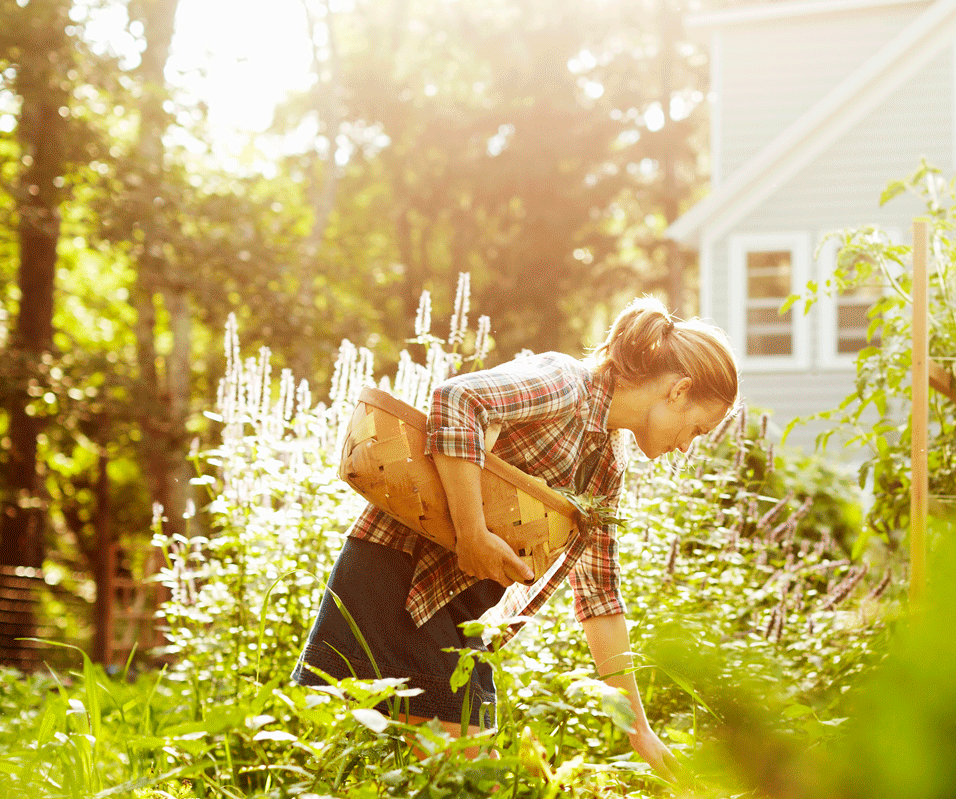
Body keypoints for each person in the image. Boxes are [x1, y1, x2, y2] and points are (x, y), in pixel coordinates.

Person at [296, 296, 739, 769]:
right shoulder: (566, 384)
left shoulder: (608, 463)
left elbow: (599, 595)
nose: (686, 447)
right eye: (697, 429)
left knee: (457, 783)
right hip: (400, 578)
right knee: (466, 779)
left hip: (456, 610)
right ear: (679, 391)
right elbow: (458, 400)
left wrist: (640, 732)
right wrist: (472, 534)